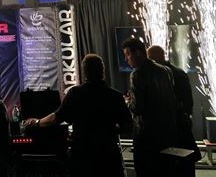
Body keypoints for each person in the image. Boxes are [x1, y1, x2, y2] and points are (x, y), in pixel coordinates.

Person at [24, 54, 132, 177]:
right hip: (108, 157)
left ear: (85, 71)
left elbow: (56, 118)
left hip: (82, 157)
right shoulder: (116, 96)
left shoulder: (75, 93)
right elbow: (128, 126)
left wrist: (37, 122)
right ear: (103, 71)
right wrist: (109, 131)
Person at [122, 38, 180, 177]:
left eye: (127, 54)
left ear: (137, 53)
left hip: (146, 137)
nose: (126, 59)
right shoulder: (165, 70)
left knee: (145, 170)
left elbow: (138, 108)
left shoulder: (137, 74)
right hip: (167, 133)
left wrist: (128, 101)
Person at [147, 45, 200, 176]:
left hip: (174, 126)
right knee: (184, 163)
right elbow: (188, 103)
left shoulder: (162, 75)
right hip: (181, 124)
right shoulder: (179, 72)